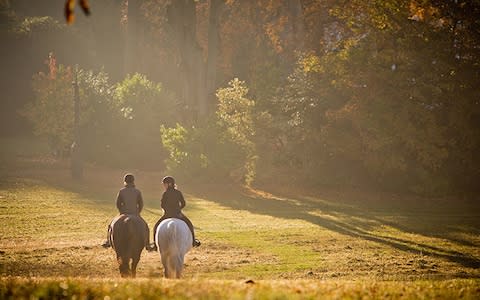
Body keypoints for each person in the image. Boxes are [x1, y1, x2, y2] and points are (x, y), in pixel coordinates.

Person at [102, 173, 153, 251]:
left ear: (125, 181)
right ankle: (147, 244)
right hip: (135, 213)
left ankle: (108, 241)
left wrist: (121, 212)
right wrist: (137, 212)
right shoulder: (137, 191)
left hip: (124, 213)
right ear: (133, 181)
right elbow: (141, 204)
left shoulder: (121, 191)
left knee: (111, 225)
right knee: (146, 227)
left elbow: (118, 203)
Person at [150, 176, 200, 250]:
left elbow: (162, 205)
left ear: (169, 184)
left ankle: (155, 244)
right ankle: (193, 241)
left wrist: (167, 210)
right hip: (178, 214)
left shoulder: (165, 193)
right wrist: (178, 209)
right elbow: (183, 203)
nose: (164, 186)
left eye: (165, 184)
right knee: (189, 224)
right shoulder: (178, 192)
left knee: (156, 226)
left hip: (167, 215)